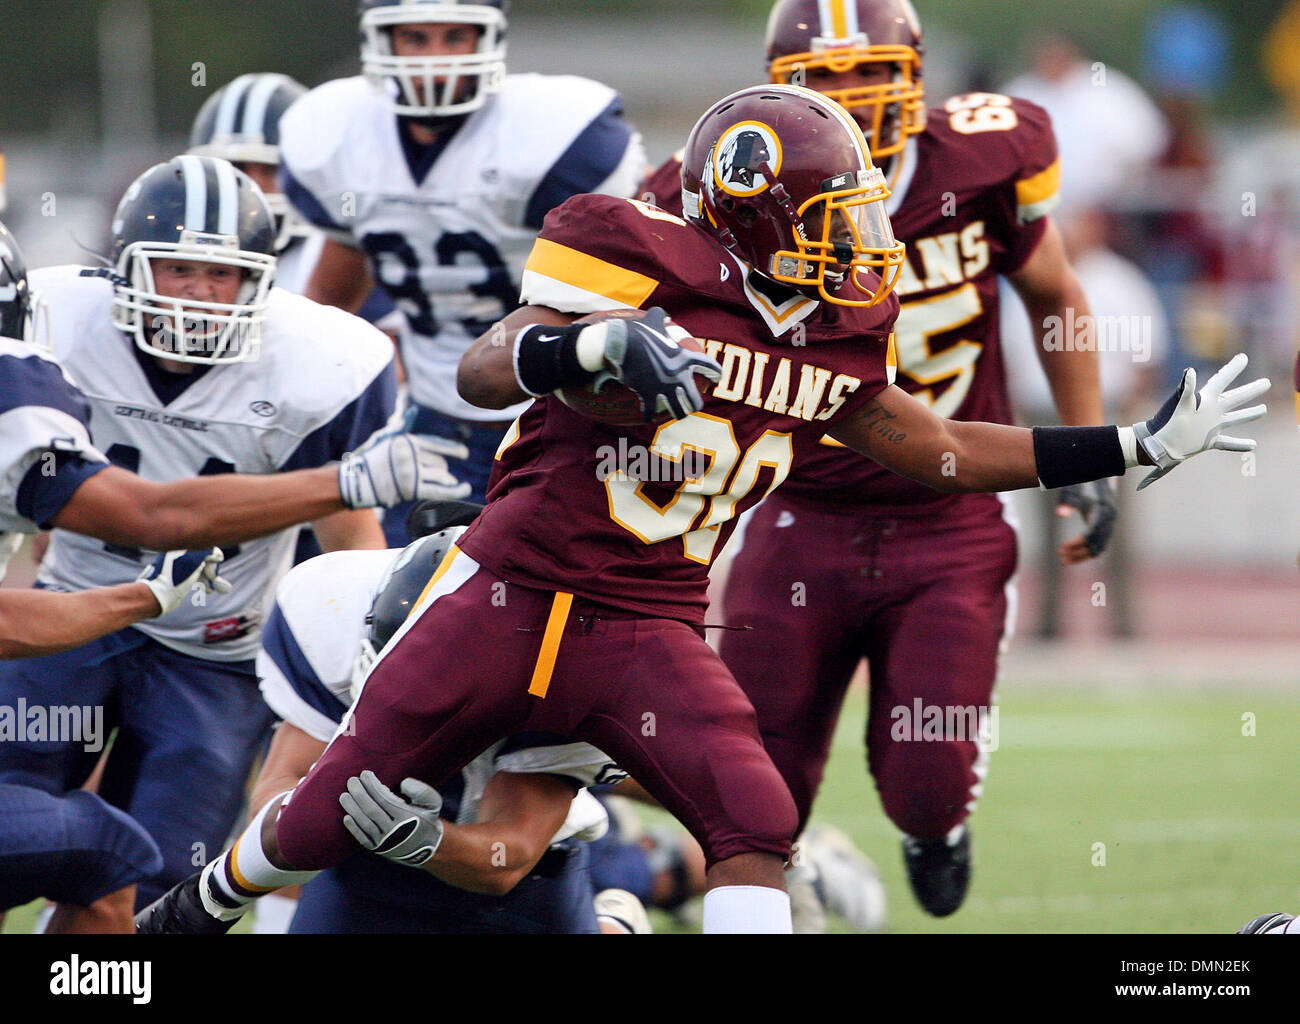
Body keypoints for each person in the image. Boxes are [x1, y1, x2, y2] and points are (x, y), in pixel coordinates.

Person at [136, 84, 1266, 935]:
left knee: (756, 817)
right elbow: (485, 369)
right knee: (330, 810)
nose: (864, 242)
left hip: (650, 622)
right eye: (834, 213)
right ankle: (203, 901)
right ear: (757, 211)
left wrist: (1123, 444)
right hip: (510, 588)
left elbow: (939, 447)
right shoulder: (631, 249)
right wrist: (582, 343)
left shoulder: (836, 324)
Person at [638, 0, 1106, 919]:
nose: (852, 95)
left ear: (917, 72)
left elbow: (1054, 291)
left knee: (926, 778)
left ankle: (934, 831)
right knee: (752, 789)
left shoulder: (981, 162)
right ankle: (781, 886)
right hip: (796, 511)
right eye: (828, 77)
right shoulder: (727, 184)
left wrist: (1086, 453)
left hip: (951, 519)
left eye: (871, 72)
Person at [0, 154, 475, 919]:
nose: (197, 293)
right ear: (121, 272)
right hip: (71, 618)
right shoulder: (55, 320)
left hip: (216, 648)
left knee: (154, 875)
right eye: (177, 268)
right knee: (12, 822)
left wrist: (348, 653)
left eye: (220, 274)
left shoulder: (324, 362)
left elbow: (345, 529)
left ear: (261, 279)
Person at [143, 505, 638, 934]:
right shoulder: (329, 607)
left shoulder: (573, 671)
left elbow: (509, 856)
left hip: (521, 883)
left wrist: (424, 840)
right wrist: (313, 814)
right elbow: (280, 784)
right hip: (364, 869)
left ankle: (613, 923)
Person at [278, 0, 646, 533]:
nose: (435, 61)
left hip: (563, 412)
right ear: (380, 43)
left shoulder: (557, 134)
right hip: (436, 420)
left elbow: (637, 282)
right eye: (416, 39)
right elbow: (333, 297)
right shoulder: (336, 133)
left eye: (454, 37)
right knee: (410, 595)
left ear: (488, 39)